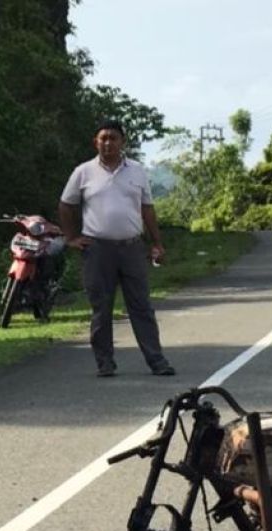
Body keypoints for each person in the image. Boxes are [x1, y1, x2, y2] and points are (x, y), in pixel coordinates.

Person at [59, 119, 175, 377]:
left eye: (113, 138)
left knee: (141, 306)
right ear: (96, 142)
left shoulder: (136, 171)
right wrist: (71, 237)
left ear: (123, 142)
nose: (108, 143)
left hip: (132, 248)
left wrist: (157, 242)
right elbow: (66, 205)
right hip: (98, 250)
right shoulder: (83, 172)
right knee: (102, 307)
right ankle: (105, 363)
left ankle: (157, 361)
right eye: (104, 138)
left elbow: (147, 208)